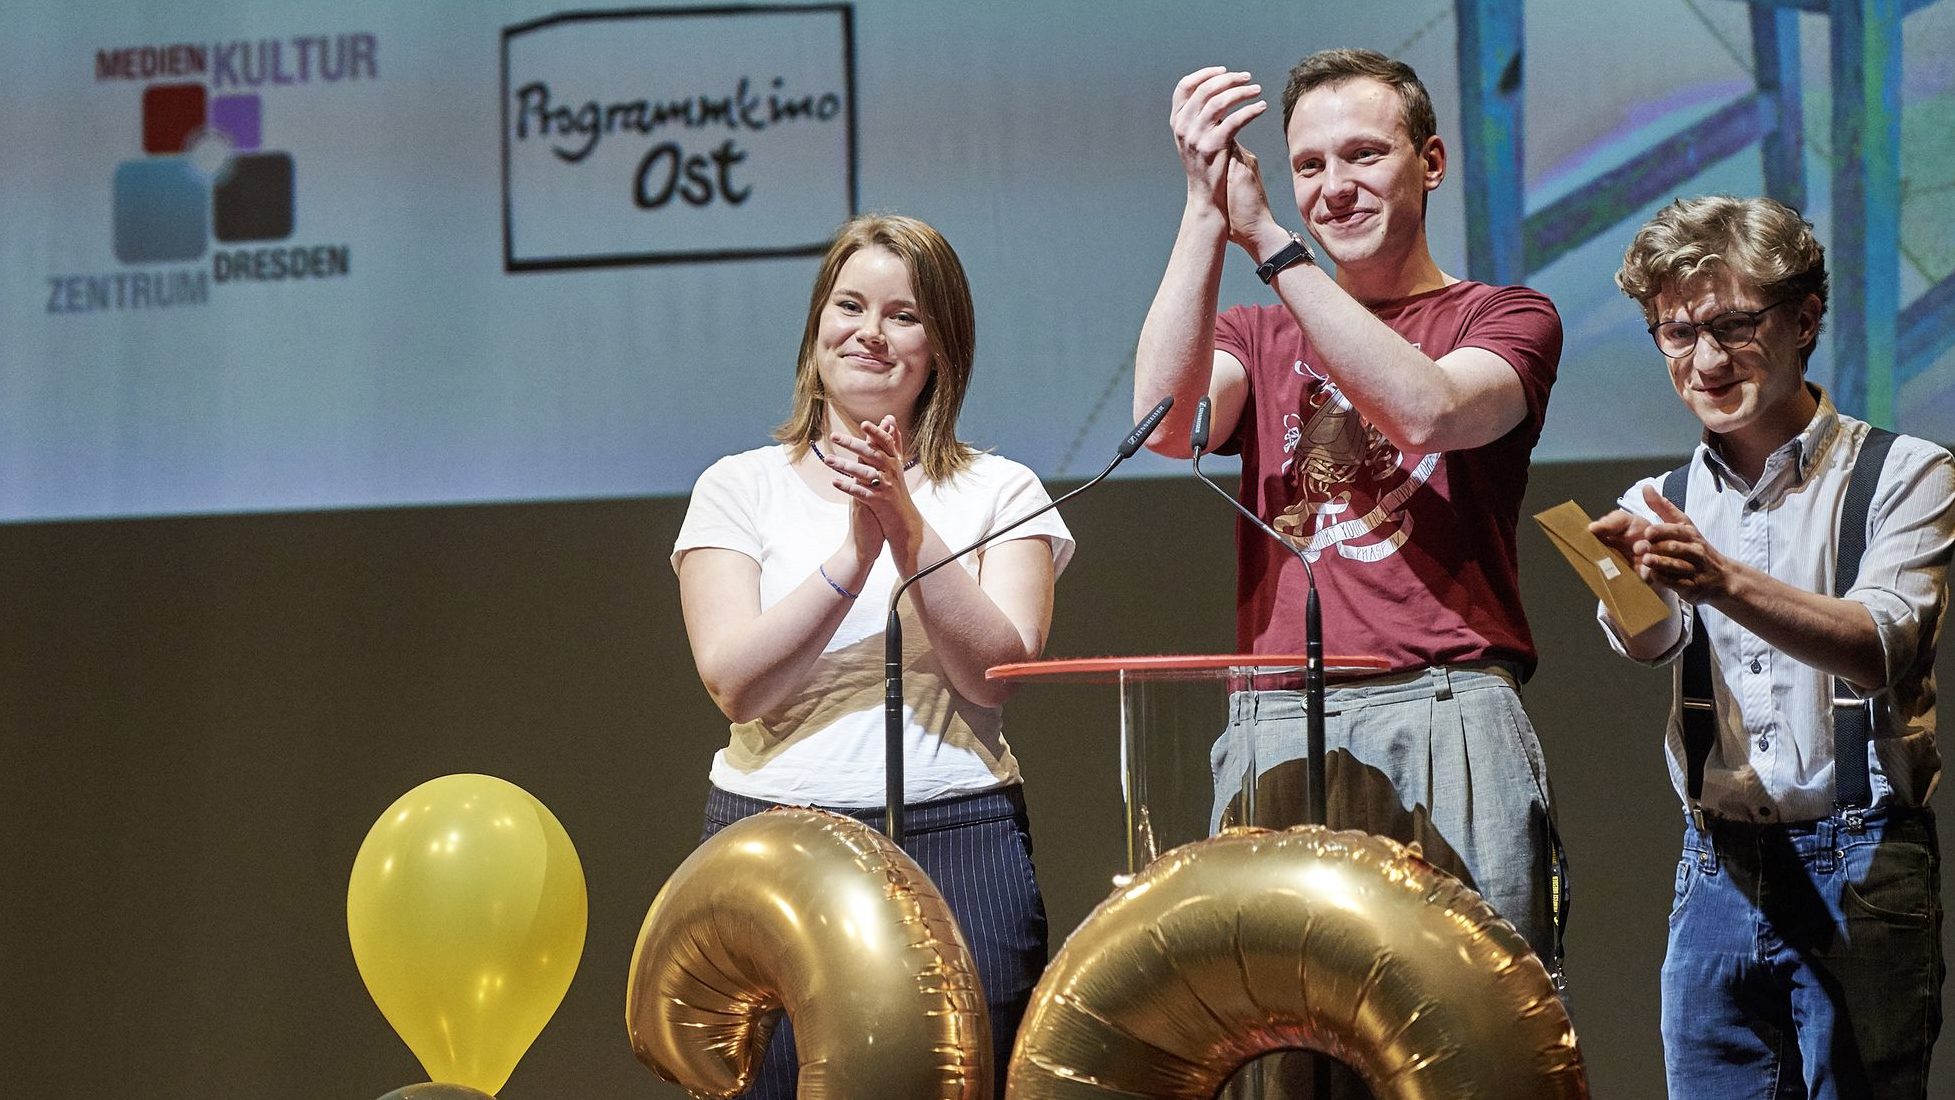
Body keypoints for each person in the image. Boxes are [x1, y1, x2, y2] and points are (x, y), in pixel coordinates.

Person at [1132, 46, 1564, 971]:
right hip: (1276, 715)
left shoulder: (1504, 315)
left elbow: (1426, 410)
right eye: (1308, 166)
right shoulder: (1255, 332)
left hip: (1441, 703)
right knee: (1276, 1024)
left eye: (1364, 155)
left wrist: (1269, 243)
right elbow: (1164, 426)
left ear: (1431, 163)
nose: (1333, 188)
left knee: (1474, 1015)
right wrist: (1205, 210)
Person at [671, 213, 1073, 1099]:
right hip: (771, 841)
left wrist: (904, 522)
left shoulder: (1000, 490)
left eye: (903, 315)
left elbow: (993, 676)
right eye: (849, 306)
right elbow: (736, 685)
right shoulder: (738, 486)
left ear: (941, 348)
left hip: (957, 836)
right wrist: (854, 555)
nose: (870, 333)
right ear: (816, 327)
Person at [1591, 195, 1951, 1099]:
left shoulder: (1903, 472)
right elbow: (1649, 643)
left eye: (1732, 325)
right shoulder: (1660, 499)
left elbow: (1879, 645)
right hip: (1715, 867)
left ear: (1804, 319)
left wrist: (1718, 579)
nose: (1705, 361)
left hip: (1860, 863)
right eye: (1676, 333)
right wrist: (1623, 582)